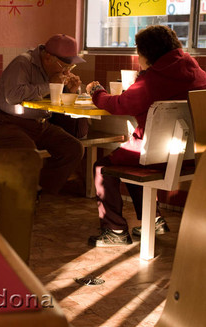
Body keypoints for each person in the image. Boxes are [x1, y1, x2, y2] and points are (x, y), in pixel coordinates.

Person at [85, 25, 206, 246]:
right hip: (193, 155)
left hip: (159, 156)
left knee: (103, 167)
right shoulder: (198, 72)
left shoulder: (153, 79)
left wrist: (96, 92)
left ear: (147, 53)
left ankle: (115, 230)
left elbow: (118, 104)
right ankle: (155, 219)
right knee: (133, 160)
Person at [0, 34, 86, 194]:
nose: (67, 71)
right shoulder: (22, 63)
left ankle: (39, 190)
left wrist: (71, 91)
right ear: (48, 57)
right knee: (29, 154)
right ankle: (26, 194)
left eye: (71, 68)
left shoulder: (54, 70)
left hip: (39, 124)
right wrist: (50, 85)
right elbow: (12, 96)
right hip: (6, 123)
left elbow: (55, 101)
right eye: (64, 66)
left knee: (73, 148)